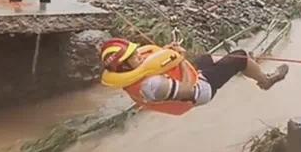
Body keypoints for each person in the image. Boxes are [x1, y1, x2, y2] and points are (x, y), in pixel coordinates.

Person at [98, 39, 289, 114]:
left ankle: (239, 65)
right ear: (123, 66)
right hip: (201, 91)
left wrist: (169, 55)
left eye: (135, 52)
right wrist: (179, 58)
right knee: (240, 56)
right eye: (133, 57)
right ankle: (265, 81)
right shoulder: (153, 85)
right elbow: (191, 89)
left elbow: (155, 67)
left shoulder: (134, 76)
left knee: (205, 57)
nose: (139, 55)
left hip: (183, 84)